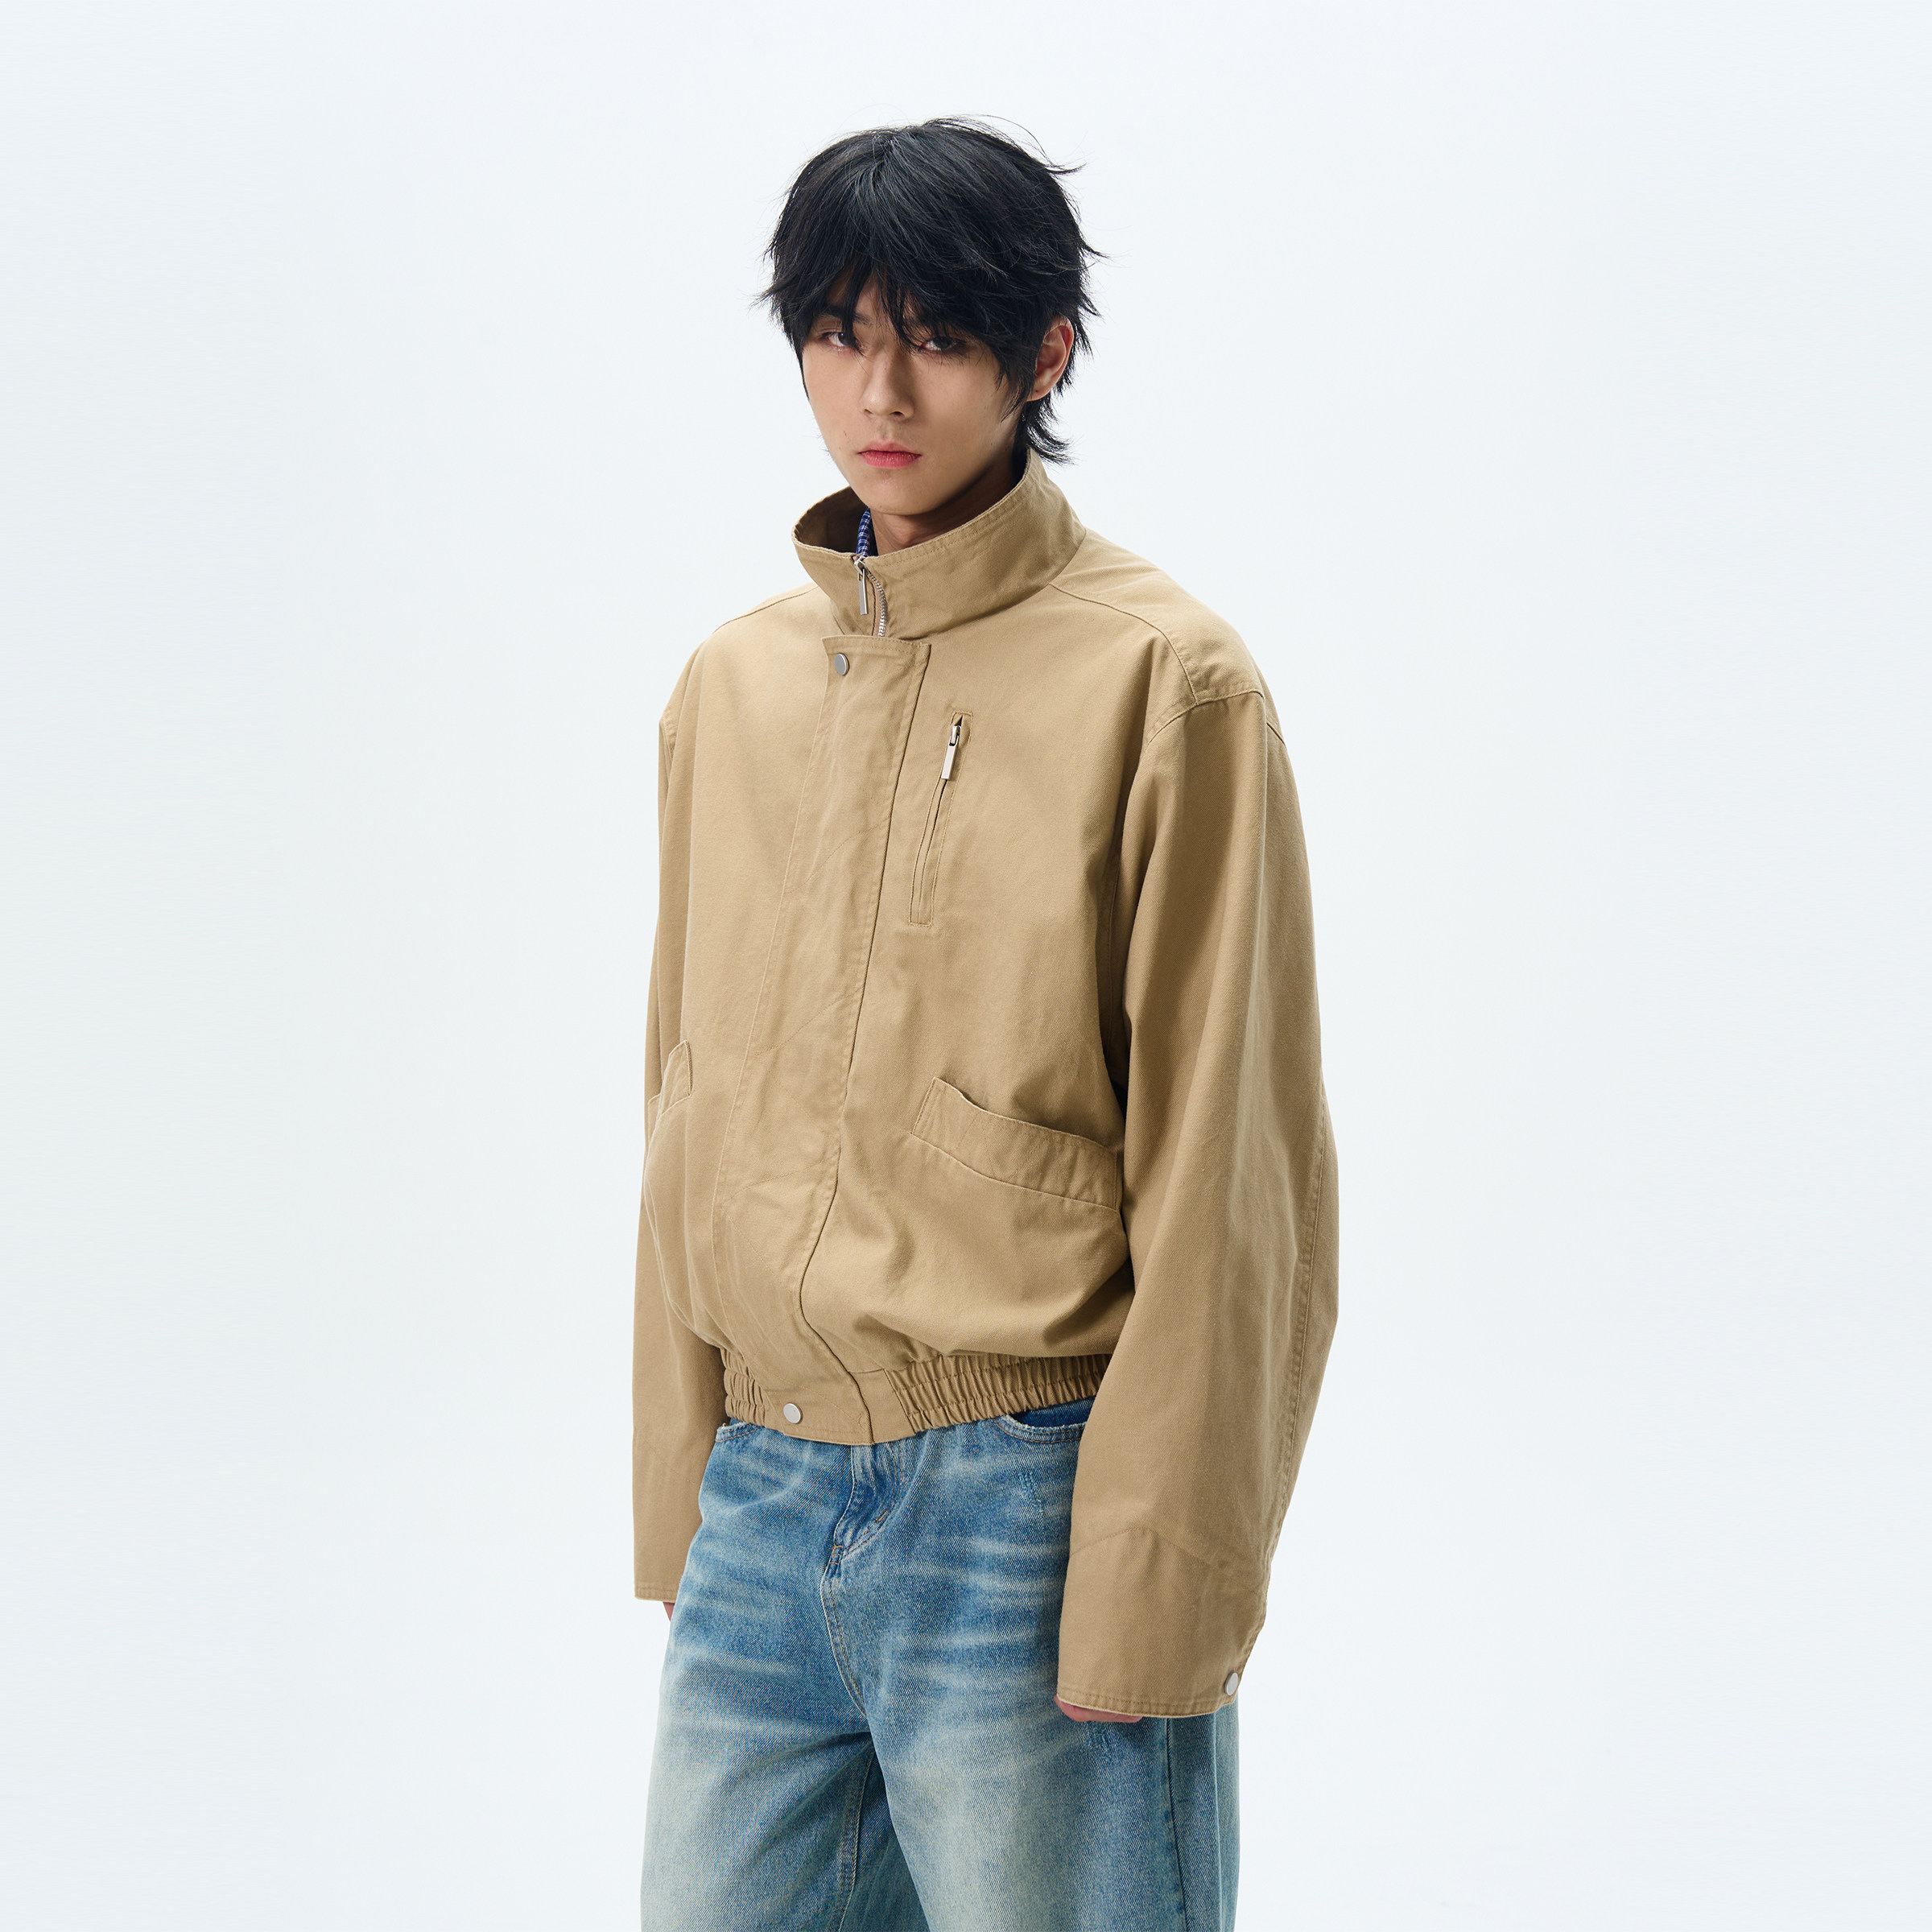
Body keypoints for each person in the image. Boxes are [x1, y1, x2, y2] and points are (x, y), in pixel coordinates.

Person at [631, 118, 1338, 1932]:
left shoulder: (1165, 683)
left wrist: (1158, 1580)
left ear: (1045, 355)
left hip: (1026, 1501)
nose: (881, 390)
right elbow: (681, 1100)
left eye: (939, 337)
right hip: (764, 1494)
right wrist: (682, 1493)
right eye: (838, 332)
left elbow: (1233, 1180)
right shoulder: (733, 687)